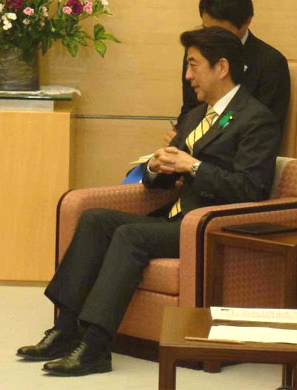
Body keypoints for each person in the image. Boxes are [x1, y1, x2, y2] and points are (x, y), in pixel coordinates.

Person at [17, 26, 280, 376]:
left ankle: (95, 346)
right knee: (95, 219)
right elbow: (169, 176)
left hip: (206, 226)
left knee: (129, 235)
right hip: (175, 217)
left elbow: (251, 189)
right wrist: (156, 168)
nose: (188, 77)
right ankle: (66, 328)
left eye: (193, 65)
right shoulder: (195, 115)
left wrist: (195, 165)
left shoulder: (256, 118)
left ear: (221, 67)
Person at [164, 0, 290, 145]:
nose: (211, 38)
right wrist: (179, 137)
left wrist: (202, 143)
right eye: (206, 28)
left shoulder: (270, 63)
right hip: (193, 145)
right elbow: (190, 108)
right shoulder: (196, 56)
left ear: (246, 22)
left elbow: (264, 130)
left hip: (237, 154)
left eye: (220, 32)